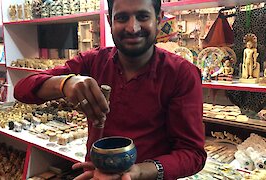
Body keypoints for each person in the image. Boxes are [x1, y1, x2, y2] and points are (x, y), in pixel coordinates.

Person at [14, 0, 206, 179]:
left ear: (158, 18)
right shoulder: (92, 62)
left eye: (143, 16)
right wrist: (64, 83)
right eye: (122, 18)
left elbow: (193, 154)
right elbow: (22, 90)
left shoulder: (181, 74)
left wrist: (139, 171)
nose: (133, 28)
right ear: (109, 21)